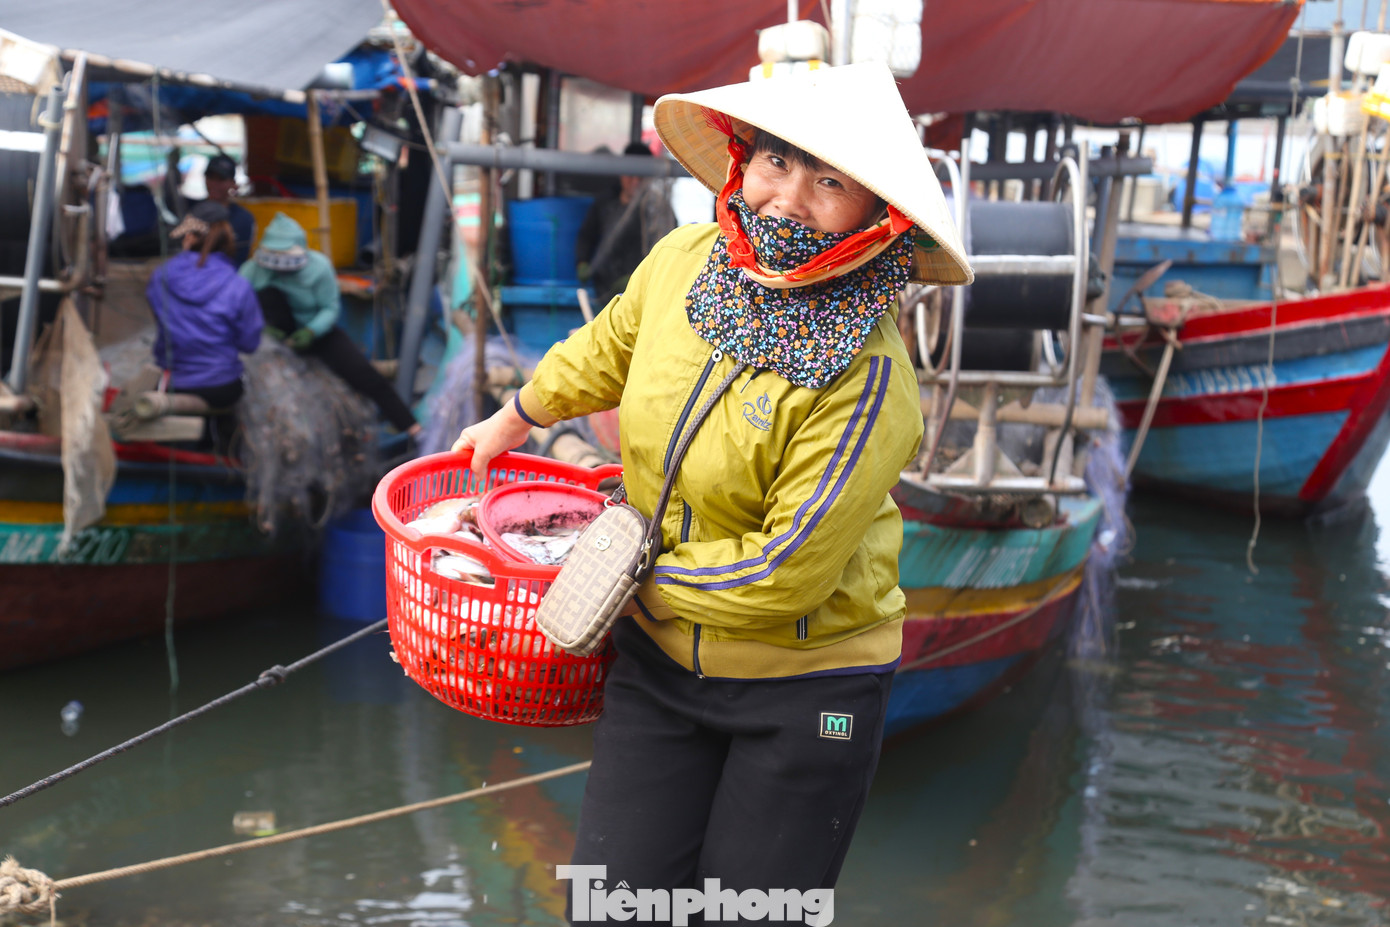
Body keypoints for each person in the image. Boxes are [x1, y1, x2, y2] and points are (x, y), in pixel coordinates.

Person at [453, 63, 972, 922]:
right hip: (659, 667)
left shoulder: (870, 378)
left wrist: (617, 577)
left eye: (830, 182)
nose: (787, 200)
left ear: (878, 218)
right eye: (776, 161)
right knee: (611, 907)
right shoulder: (686, 259)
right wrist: (516, 415)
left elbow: (782, 572)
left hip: (805, 692)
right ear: (742, 160)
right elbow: (611, 344)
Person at [239, 212, 422, 438]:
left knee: (365, 375)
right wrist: (261, 328)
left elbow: (330, 308)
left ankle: (413, 429)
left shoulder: (319, 267)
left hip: (317, 332)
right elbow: (240, 305)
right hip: (271, 336)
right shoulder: (252, 270)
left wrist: (311, 331)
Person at [146, 200, 264, 453]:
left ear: (189, 237)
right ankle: (226, 459)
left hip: (173, 381)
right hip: (221, 386)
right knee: (233, 409)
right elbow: (249, 343)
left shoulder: (161, 275)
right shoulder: (237, 284)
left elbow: (163, 323)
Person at [575, 140, 678, 304]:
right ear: (621, 173)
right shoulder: (604, 203)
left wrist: (636, 280)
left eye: (641, 176)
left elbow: (671, 250)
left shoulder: (658, 210)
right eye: (631, 174)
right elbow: (586, 235)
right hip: (603, 289)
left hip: (642, 294)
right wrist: (582, 262)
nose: (635, 181)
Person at [201, 154, 256, 265]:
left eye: (221, 179)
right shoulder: (192, 211)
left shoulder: (244, 219)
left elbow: (241, 260)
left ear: (233, 183)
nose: (214, 184)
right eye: (211, 177)